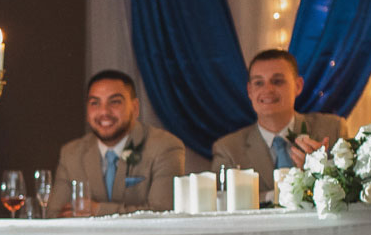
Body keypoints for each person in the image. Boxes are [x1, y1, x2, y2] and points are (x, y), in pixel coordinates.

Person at [209, 48, 347, 194]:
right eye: (258, 83)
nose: (268, 90)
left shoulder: (332, 130)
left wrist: (321, 171)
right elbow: (221, 207)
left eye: (277, 81)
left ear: (298, 86)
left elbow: (351, 194)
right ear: (250, 91)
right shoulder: (228, 149)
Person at [50, 70, 185, 214]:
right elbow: (55, 214)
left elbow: (162, 213)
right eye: (94, 103)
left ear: (135, 108)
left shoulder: (165, 147)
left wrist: (98, 210)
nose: (104, 112)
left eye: (114, 102)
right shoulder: (71, 153)